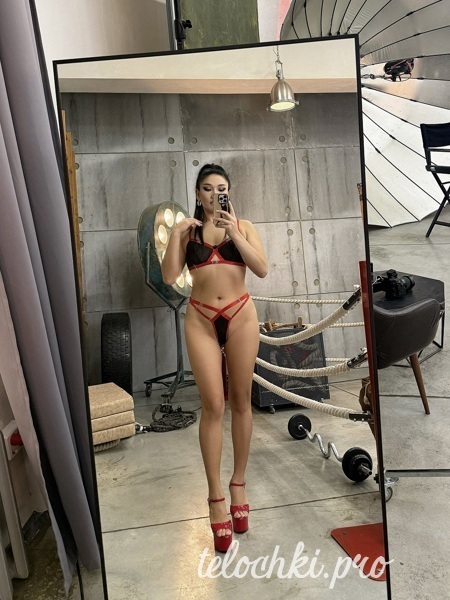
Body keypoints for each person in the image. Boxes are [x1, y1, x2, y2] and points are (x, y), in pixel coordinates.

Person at [161, 163, 268, 552]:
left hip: (240, 315)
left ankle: (238, 484)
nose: (213, 194)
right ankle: (215, 498)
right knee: (213, 406)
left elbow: (261, 269)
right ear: (197, 193)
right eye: (206, 188)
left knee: (241, 401)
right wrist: (176, 234)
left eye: (220, 188)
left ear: (229, 191)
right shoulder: (188, 232)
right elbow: (170, 276)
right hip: (202, 319)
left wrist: (235, 232)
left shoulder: (245, 226)